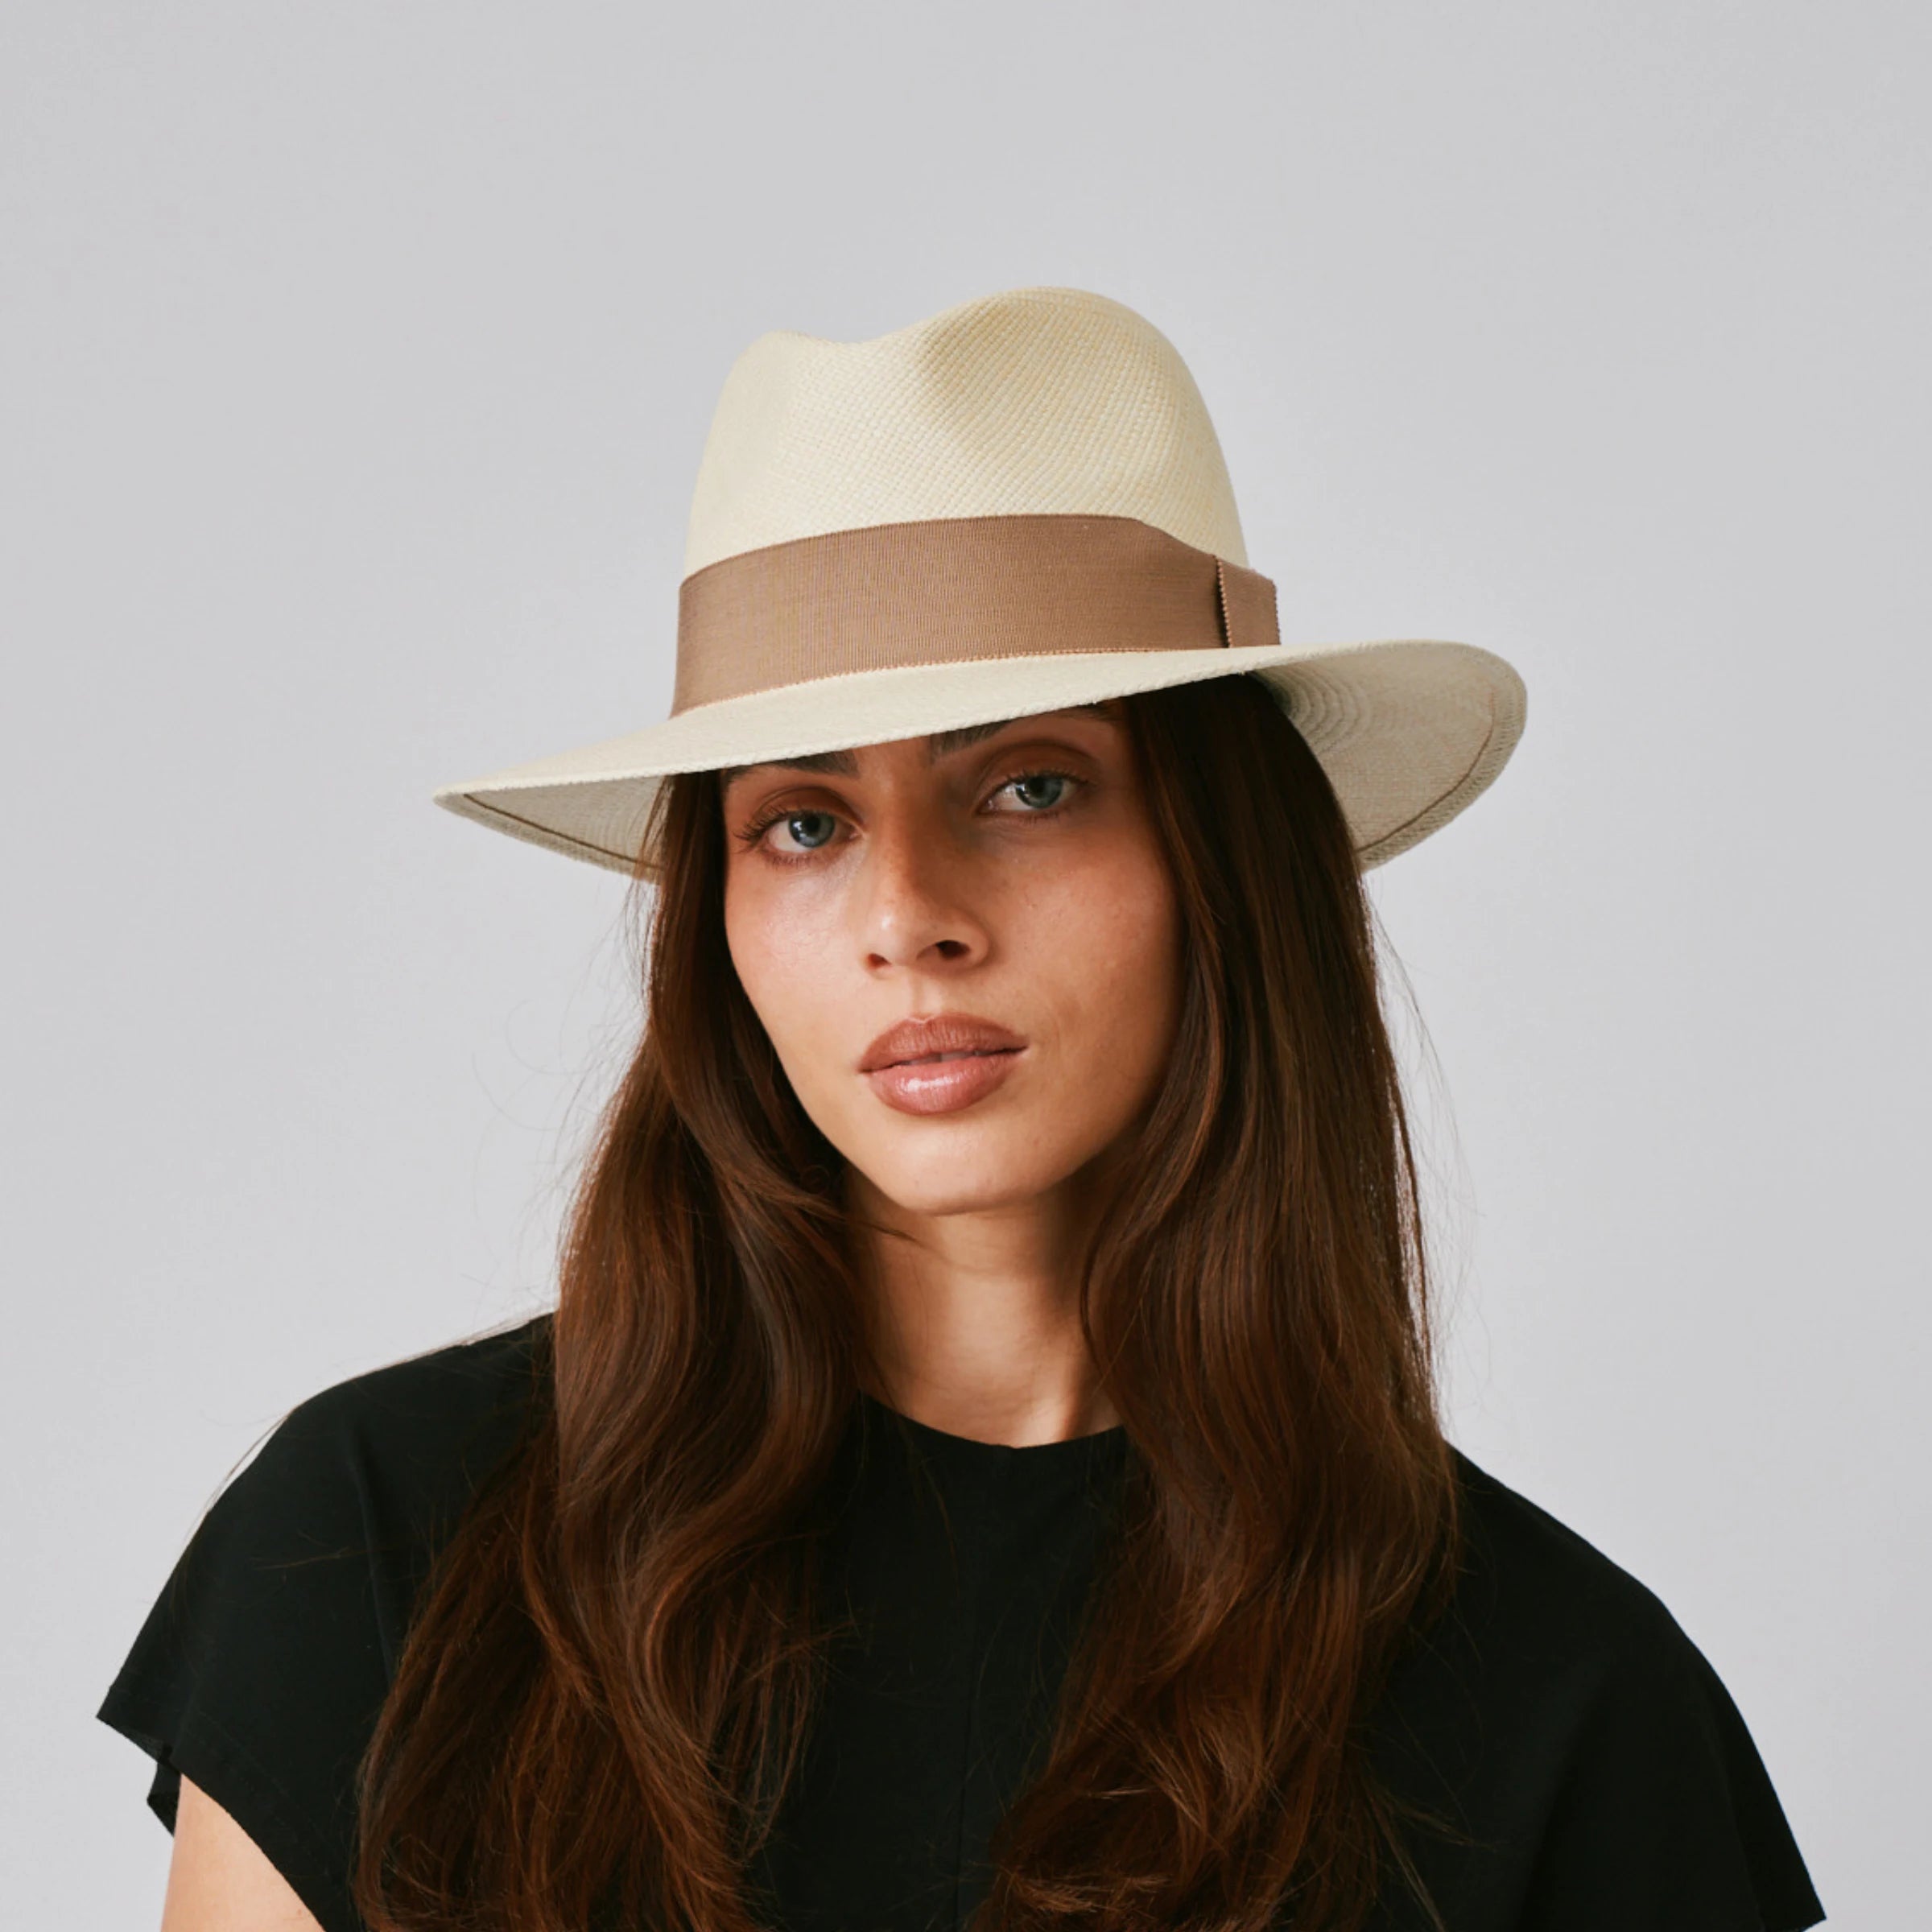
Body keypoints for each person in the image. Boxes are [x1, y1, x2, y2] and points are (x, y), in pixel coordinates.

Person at [99, 286, 1825, 1932]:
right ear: (716, 914)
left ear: (1221, 858)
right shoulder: (386, 1550)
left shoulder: (1563, 1705)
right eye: (800, 822)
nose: (907, 912)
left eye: (1029, 783)